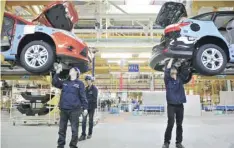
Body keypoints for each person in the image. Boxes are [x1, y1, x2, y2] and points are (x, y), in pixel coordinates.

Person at [53, 64, 88, 148]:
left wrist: (85, 108)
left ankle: (73, 145)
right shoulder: (65, 82)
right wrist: (57, 72)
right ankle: (60, 145)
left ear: (76, 72)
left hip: (75, 110)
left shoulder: (80, 84)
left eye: (72, 70)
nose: (70, 71)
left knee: (74, 130)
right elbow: (55, 83)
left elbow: (83, 96)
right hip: (64, 109)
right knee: (62, 129)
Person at [162, 59, 187, 148]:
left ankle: (178, 143)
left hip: (180, 105)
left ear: (176, 71)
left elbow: (185, 71)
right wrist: (172, 59)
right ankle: (166, 142)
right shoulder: (167, 81)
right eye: (171, 70)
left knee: (179, 124)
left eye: (174, 69)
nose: (172, 70)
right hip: (171, 105)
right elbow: (167, 69)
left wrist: (183, 62)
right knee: (171, 123)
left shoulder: (180, 80)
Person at [79, 75, 98, 141]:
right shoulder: (85, 89)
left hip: (92, 107)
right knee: (84, 121)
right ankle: (83, 135)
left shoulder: (95, 89)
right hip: (85, 107)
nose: (87, 82)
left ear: (91, 80)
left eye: (88, 80)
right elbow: (83, 97)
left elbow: (94, 99)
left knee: (90, 121)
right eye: (86, 81)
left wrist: (86, 100)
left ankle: (90, 133)